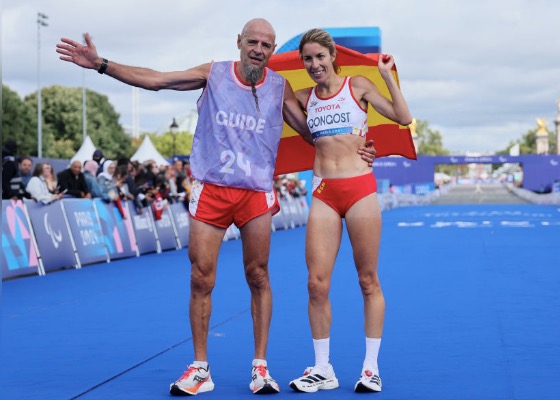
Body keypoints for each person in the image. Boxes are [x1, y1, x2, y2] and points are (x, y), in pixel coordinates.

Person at [57, 18, 376, 396]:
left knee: (258, 276)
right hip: (212, 188)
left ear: (273, 51)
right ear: (239, 42)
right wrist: (102, 65)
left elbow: (317, 132)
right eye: (253, 41)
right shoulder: (215, 74)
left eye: (267, 45)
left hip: (256, 191)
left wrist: (360, 146)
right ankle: (200, 368)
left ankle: (260, 368)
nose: (259, 49)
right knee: (200, 277)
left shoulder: (279, 87)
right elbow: (157, 79)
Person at [288, 28, 411, 394]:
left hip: (359, 190)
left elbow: (403, 117)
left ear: (332, 56)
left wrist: (386, 75)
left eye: (320, 57)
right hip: (324, 191)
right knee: (316, 283)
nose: (314, 65)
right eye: (307, 59)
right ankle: (323, 368)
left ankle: (370, 368)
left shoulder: (357, 86)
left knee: (368, 280)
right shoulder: (302, 97)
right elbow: (268, 94)